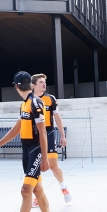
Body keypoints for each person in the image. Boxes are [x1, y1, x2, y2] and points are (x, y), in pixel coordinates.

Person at [0, 71, 55, 212]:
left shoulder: (35, 102)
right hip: (27, 151)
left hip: (36, 150)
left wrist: (44, 157)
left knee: (26, 190)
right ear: (30, 84)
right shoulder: (25, 105)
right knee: (37, 190)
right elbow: (17, 129)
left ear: (16, 87)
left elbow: (42, 131)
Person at [31, 73, 71, 204]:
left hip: (48, 133)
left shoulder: (50, 99)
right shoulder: (29, 100)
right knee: (35, 169)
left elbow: (57, 118)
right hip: (34, 135)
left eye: (44, 82)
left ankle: (64, 187)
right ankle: (38, 196)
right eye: (41, 82)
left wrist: (62, 136)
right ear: (34, 85)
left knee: (53, 166)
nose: (44, 84)